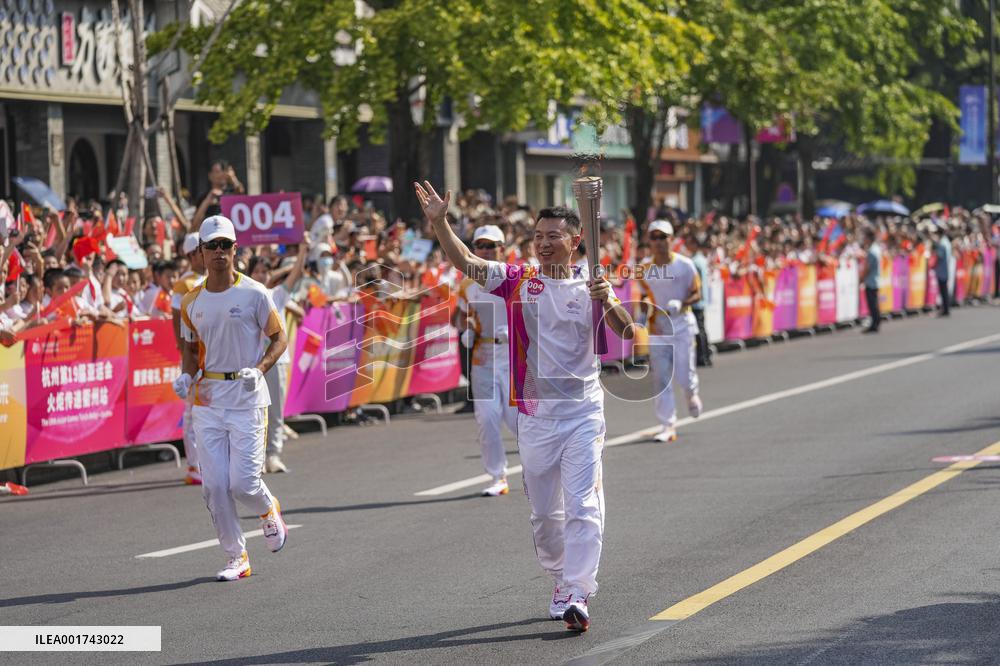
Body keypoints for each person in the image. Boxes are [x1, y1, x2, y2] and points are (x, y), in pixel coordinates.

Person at [415, 181, 634, 633]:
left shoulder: (594, 283)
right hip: (535, 414)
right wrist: (440, 223)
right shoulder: (518, 282)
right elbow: (468, 262)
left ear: (577, 241)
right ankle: (559, 576)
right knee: (545, 514)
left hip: (583, 411)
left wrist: (606, 297)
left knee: (583, 504)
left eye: (554, 235)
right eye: (538, 236)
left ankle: (578, 588)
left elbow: (627, 332)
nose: (544, 243)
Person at [174, 215, 289, 581]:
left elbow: (279, 337)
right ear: (201, 252)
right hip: (208, 400)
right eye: (213, 246)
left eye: (226, 245)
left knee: (243, 484)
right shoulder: (191, 302)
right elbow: (190, 350)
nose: (220, 252)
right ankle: (236, 557)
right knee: (214, 486)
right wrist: (186, 375)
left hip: (247, 397)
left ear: (235, 249)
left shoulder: (255, 293)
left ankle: (268, 507)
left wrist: (261, 368)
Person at [455, 225, 519, 496]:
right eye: (481, 246)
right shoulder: (467, 284)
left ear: (502, 249)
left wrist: (515, 331)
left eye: (491, 246)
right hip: (483, 358)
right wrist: (467, 328)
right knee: (487, 418)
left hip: (515, 356)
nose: (486, 250)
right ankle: (498, 476)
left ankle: (542, 467)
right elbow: (459, 315)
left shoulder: (515, 278)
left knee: (520, 420)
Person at [637, 220, 703, 443]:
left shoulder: (685, 265)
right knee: (661, 379)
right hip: (658, 329)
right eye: (653, 237)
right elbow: (643, 295)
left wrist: (682, 303)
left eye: (662, 237)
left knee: (684, 374)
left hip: (682, 326)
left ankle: (691, 392)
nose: (658, 242)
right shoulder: (644, 268)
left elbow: (697, 293)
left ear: (671, 239)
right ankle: (667, 425)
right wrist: (644, 305)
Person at [248, 238, 309, 473]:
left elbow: (295, 274)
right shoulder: (242, 298)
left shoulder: (277, 295)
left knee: (275, 413)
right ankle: (256, 458)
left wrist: (302, 249)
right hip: (251, 364)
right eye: (257, 271)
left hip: (276, 362)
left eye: (265, 271)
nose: (261, 275)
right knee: (254, 414)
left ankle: (273, 455)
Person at [172, 233, 207, 485]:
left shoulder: (212, 278)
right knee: (193, 411)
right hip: (194, 353)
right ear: (191, 254)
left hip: (213, 353)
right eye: (202, 248)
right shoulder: (183, 284)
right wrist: (186, 354)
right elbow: (177, 322)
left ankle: (207, 463)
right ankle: (194, 466)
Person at [690, 234, 713, 367]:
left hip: (696, 300)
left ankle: (702, 357)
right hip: (701, 299)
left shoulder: (695, 261)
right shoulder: (702, 260)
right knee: (702, 329)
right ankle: (705, 356)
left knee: (698, 330)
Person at [861, 227, 882, 333]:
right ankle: (876, 322)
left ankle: (875, 323)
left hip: (871, 280)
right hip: (875, 279)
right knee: (874, 303)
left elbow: (868, 268)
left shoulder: (872, 251)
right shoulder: (876, 248)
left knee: (872, 303)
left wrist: (862, 278)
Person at [932, 227, 952, 317]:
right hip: (944, 269)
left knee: (943, 291)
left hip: (942, 270)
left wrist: (935, 247)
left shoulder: (942, 244)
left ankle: (945, 309)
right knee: (944, 291)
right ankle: (945, 309)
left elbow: (940, 256)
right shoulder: (946, 242)